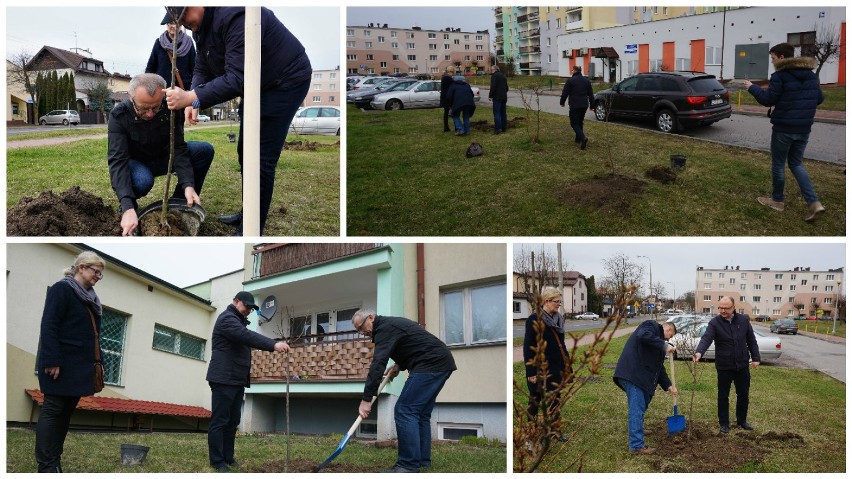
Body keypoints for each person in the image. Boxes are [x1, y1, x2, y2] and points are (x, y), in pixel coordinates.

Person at [162, 7, 313, 235]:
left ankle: (251, 228)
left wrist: (192, 97)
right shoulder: (201, 28)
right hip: (257, 84)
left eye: (183, 16)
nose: (181, 24)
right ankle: (249, 211)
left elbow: (236, 79)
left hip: (284, 80)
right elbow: (202, 65)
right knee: (246, 150)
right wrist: (194, 99)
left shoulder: (236, 15)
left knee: (261, 157)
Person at [107, 73, 214, 236]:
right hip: (137, 164)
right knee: (143, 180)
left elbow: (178, 147)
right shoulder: (119, 116)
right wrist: (127, 205)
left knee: (204, 151)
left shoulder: (171, 108)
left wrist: (188, 184)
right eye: (144, 108)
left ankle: (179, 204)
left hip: (163, 157)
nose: (150, 114)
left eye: (155, 107)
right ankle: (130, 209)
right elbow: (118, 161)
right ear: (131, 97)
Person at [353, 309, 456, 473]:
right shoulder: (390, 325)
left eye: (361, 327)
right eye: (358, 330)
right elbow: (414, 344)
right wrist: (399, 366)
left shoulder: (383, 329)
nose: (361, 332)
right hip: (440, 362)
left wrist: (366, 399)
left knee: (405, 410)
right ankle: (422, 461)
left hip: (431, 363)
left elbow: (378, 364)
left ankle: (408, 465)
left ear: (371, 317)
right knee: (420, 413)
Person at [35, 251, 107, 472]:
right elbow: (49, 325)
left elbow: (93, 335)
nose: (98, 277)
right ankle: (46, 466)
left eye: (101, 274)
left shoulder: (90, 298)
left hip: (80, 367)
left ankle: (54, 461)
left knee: (65, 416)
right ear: (82, 267)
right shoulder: (62, 289)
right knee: (53, 411)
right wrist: (52, 360)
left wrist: (98, 360)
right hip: (60, 365)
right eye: (96, 271)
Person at [206, 291, 290, 473]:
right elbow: (246, 336)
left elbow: (245, 336)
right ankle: (217, 461)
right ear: (235, 301)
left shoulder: (239, 322)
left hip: (236, 380)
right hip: (223, 378)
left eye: (251, 309)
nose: (248, 311)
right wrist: (273, 345)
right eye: (246, 307)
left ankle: (228, 457)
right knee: (220, 420)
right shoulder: (227, 319)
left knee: (233, 420)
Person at [744, 42, 825, 222]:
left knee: (778, 165)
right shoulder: (811, 75)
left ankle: (777, 201)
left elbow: (768, 99)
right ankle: (814, 203)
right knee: (796, 164)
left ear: (781, 57)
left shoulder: (780, 76)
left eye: (773, 58)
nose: (772, 61)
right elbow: (819, 98)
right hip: (804, 128)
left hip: (784, 129)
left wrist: (752, 87)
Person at [693, 296, 760, 434]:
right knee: (723, 396)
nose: (722, 311)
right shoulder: (714, 323)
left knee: (743, 394)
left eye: (726, 308)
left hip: (742, 365)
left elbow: (751, 340)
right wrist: (699, 352)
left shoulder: (744, 321)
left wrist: (756, 357)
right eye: (721, 308)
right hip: (724, 366)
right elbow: (706, 338)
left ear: (733, 307)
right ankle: (724, 423)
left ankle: (742, 421)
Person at [613, 319, 677, 454]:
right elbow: (642, 335)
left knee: (642, 404)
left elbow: (659, 368)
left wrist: (669, 385)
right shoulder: (651, 326)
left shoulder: (658, 344)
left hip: (641, 377)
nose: (668, 339)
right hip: (633, 374)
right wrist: (664, 345)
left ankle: (638, 429)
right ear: (668, 330)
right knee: (636, 408)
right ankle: (636, 445)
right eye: (670, 336)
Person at [522, 287, 571, 441]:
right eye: (556, 302)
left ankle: (555, 431)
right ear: (546, 301)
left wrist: (567, 364)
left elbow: (561, 344)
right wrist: (531, 372)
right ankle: (531, 434)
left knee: (555, 399)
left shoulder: (558, 319)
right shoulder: (534, 320)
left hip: (556, 367)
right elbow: (528, 347)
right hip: (540, 369)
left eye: (560, 302)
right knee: (535, 401)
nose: (559, 305)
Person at [145, 18, 196, 90]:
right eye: (170, 23)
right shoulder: (159, 42)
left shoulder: (188, 43)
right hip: (162, 89)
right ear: (167, 24)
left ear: (181, 24)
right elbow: (150, 67)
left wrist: (193, 89)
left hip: (183, 90)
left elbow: (194, 67)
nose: (173, 26)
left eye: (176, 23)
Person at [559, 65, 595, 150]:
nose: (572, 72)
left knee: (574, 123)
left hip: (574, 105)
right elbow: (590, 94)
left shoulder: (570, 81)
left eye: (572, 70)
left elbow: (565, 93)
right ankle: (578, 139)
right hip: (584, 105)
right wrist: (592, 105)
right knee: (580, 122)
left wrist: (562, 102)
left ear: (574, 71)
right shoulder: (586, 81)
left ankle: (583, 138)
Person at [488, 65, 508, 134]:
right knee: (503, 113)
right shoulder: (503, 76)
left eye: (491, 70)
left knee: (497, 113)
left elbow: (493, 86)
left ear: (494, 70)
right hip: (504, 97)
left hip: (497, 97)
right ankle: (504, 128)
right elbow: (507, 88)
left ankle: (498, 128)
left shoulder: (494, 76)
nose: (491, 71)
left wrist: (490, 96)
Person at [440, 66, 456, 132]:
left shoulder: (444, 77)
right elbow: (451, 89)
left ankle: (446, 127)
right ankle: (457, 127)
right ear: (452, 71)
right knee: (454, 112)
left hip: (444, 98)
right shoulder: (448, 78)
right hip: (449, 98)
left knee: (446, 113)